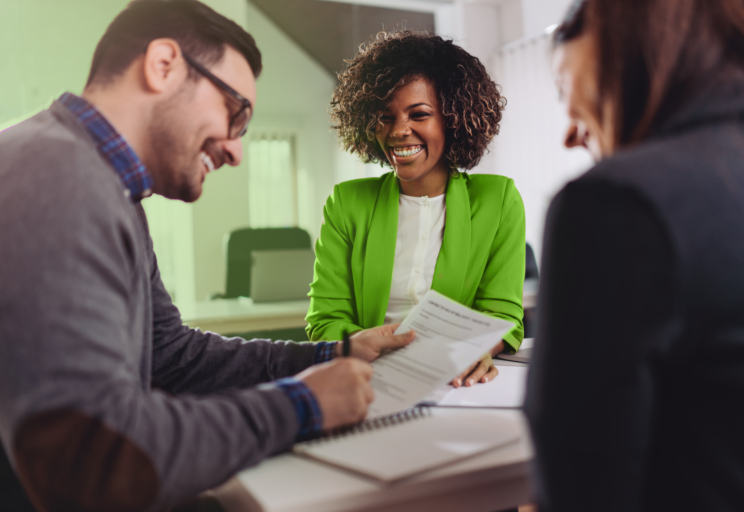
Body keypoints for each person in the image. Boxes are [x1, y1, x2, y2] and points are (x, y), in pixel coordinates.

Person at [0, 1, 415, 510]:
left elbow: (172, 358)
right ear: (163, 65)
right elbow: (96, 460)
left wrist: (333, 354)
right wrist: (302, 406)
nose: (238, 151)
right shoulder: (57, 176)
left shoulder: (104, 186)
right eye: (236, 112)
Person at [525, 0, 744, 511]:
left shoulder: (617, 206)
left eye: (562, 91)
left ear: (623, 37)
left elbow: (582, 498)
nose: (570, 134)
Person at [306, 30, 526, 388]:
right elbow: (325, 320)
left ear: (453, 118)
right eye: (385, 116)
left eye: (418, 114)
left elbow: (504, 315)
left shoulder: (498, 200)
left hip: (456, 384)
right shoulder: (347, 203)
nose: (398, 131)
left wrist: (475, 350)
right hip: (370, 379)